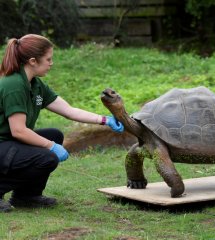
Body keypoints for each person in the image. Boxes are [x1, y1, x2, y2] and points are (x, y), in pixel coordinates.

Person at [0, 34, 124, 212]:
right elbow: (19, 131)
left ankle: (26, 196)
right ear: (33, 61)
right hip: (3, 144)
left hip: (8, 144)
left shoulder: (35, 84)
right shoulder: (13, 85)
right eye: (48, 59)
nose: (51, 63)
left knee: (54, 135)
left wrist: (104, 120)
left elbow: (68, 110)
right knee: (47, 156)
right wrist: (51, 147)